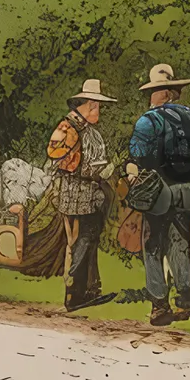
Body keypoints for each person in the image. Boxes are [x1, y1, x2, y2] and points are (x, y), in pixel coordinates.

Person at [126, 63, 190, 327]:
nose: (150, 97)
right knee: (180, 241)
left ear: (163, 93)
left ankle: (159, 306)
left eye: (154, 91)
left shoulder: (149, 119)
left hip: (160, 191)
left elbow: (139, 153)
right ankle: (186, 300)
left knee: (152, 244)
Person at [47, 79, 120, 313]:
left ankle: (87, 288)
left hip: (72, 191)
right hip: (82, 192)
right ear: (90, 105)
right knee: (84, 239)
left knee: (85, 238)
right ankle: (74, 293)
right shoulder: (76, 129)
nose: (99, 111)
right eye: (97, 106)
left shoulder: (69, 126)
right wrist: (105, 171)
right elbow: (77, 165)